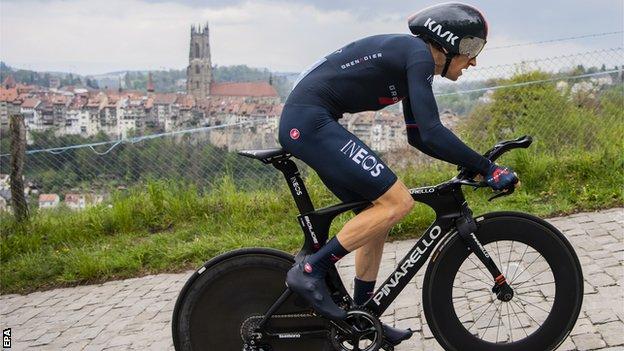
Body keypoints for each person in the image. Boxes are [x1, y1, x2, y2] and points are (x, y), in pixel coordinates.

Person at [279, 2, 519, 346]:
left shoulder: (413, 60)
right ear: (446, 41)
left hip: (311, 121)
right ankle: (310, 270)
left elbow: (418, 135)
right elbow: (433, 131)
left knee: (377, 214)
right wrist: (488, 168)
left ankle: (363, 319)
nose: (474, 60)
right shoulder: (418, 56)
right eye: (470, 48)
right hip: (309, 122)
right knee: (398, 202)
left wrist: (471, 164)